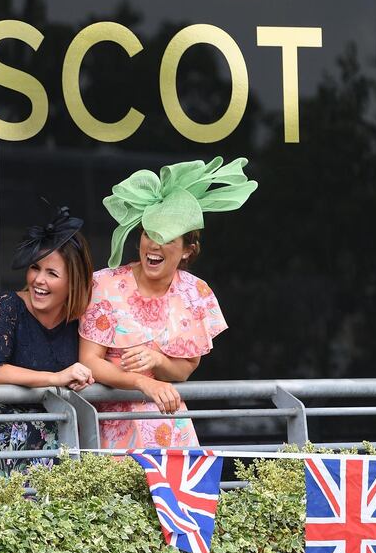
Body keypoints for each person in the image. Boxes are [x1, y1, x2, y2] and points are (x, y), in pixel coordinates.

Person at [79, 157, 257, 451]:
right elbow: (89, 361)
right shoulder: (104, 284)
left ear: (188, 250)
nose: (154, 245)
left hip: (170, 428)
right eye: (149, 232)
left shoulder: (196, 292)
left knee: (178, 497)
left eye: (168, 238)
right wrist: (142, 382)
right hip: (112, 431)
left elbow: (184, 370)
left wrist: (158, 361)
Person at [0, 206, 95, 476]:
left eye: (52, 273)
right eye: (34, 268)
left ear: (73, 280)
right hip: (5, 440)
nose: (38, 280)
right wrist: (57, 377)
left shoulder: (79, 319)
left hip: (60, 437)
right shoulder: (8, 305)